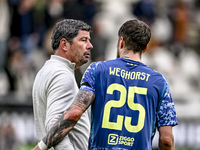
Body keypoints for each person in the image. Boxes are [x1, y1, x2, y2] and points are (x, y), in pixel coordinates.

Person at [33, 19, 178, 150]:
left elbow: (73, 113)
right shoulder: (159, 82)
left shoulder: (98, 70)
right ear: (145, 48)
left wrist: (41, 147)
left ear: (121, 42)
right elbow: (166, 140)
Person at [32, 19, 93, 150]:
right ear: (64, 45)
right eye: (83, 40)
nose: (90, 45)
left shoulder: (47, 70)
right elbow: (54, 124)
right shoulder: (61, 74)